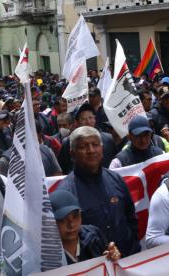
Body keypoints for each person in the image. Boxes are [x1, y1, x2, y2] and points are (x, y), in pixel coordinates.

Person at [56, 126, 141, 257]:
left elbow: (131, 217)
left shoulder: (115, 179)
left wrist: (134, 247)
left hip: (128, 261)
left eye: (95, 144)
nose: (91, 150)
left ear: (102, 149)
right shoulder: (67, 192)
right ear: (72, 154)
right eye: (84, 146)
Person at [50, 190, 121, 265]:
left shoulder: (93, 236)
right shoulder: (44, 252)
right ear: (50, 221)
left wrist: (113, 256)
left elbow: (110, 259)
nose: (71, 225)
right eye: (62, 219)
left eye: (75, 216)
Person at [57, 103, 118, 174]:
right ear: (76, 122)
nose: (88, 121)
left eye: (90, 117)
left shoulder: (108, 139)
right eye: (83, 119)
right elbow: (64, 168)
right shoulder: (68, 142)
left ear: (95, 119)